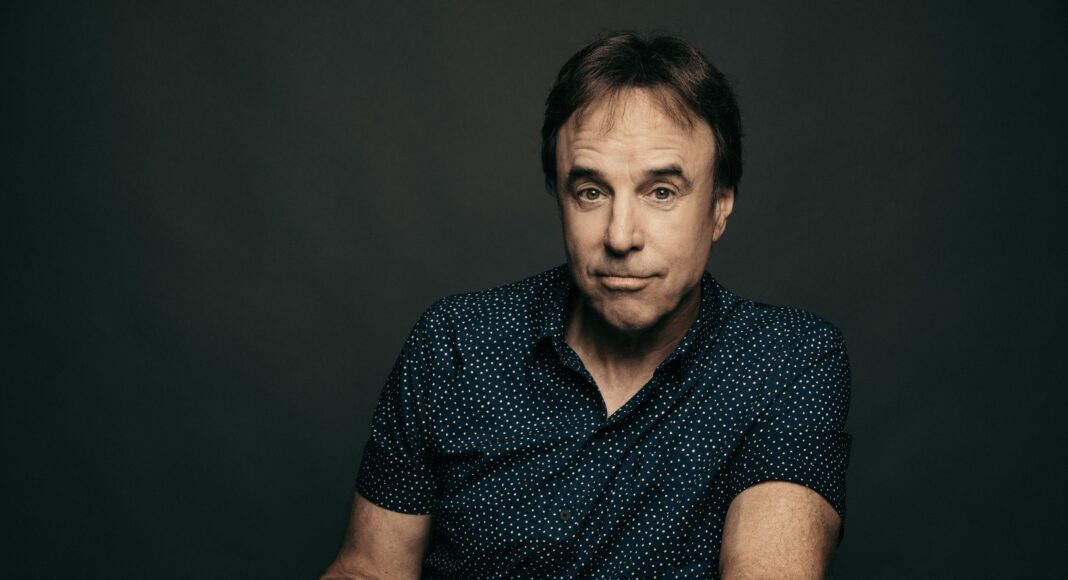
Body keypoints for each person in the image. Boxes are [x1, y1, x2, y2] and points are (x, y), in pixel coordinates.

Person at [321, 31, 851, 580]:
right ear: (561, 201)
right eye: (591, 192)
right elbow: (369, 570)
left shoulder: (786, 362)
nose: (620, 236)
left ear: (719, 206)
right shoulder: (457, 343)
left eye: (661, 191)